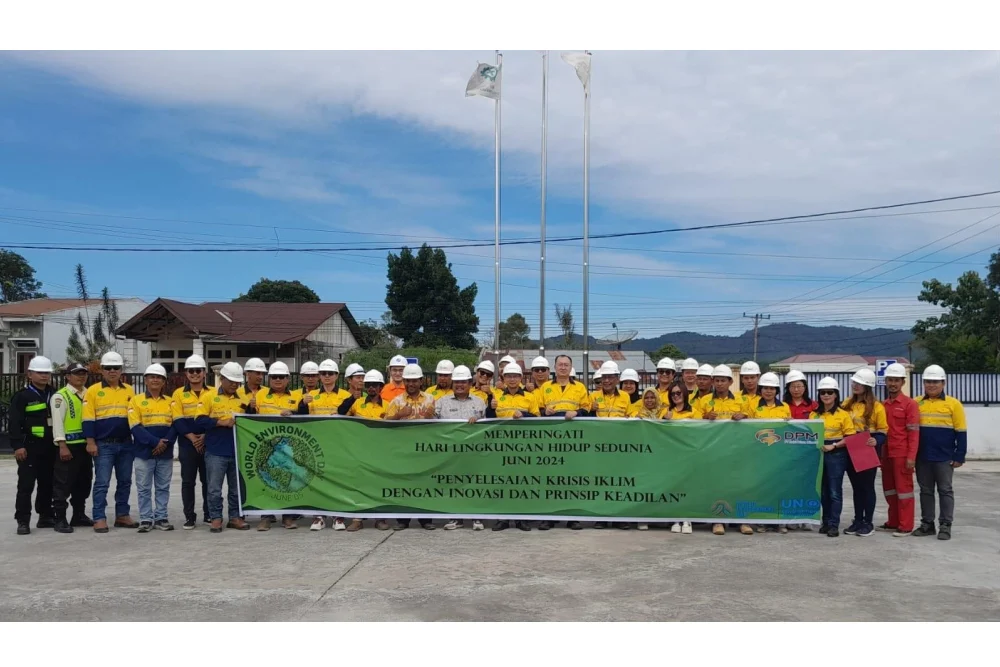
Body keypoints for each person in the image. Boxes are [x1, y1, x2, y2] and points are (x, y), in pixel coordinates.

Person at [537, 354, 592, 530]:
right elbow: (536, 409)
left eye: (566, 365)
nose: (562, 367)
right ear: (554, 367)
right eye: (560, 364)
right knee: (550, 477)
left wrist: (577, 413)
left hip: (573, 439)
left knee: (572, 477)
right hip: (550, 438)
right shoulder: (545, 387)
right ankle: (549, 516)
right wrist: (544, 411)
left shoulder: (580, 387)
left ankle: (572, 517)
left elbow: (587, 408)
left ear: (570, 367)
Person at [83, 351, 137, 533]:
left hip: (126, 443)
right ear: (102, 370)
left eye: (116, 367)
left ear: (121, 370)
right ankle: (99, 517)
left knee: (125, 481)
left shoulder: (129, 390)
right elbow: (88, 419)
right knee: (102, 483)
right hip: (103, 444)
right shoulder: (93, 391)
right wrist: (90, 442)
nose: (112, 371)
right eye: (108, 368)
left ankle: (122, 514)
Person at [196, 362, 252, 533]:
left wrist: (252, 409)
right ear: (222, 379)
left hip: (237, 450)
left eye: (237, 382)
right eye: (231, 381)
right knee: (214, 488)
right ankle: (216, 518)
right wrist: (220, 422)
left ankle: (235, 517)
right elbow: (199, 420)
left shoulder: (244, 399)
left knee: (236, 489)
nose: (234, 385)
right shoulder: (208, 397)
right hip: (215, 451)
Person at [483, 362, 538, 532]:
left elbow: (538, 419)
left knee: (523, 482)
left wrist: (525, 415)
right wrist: (490, 408)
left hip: (524, 447)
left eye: (515, 376)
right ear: (503, 378)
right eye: (508, 376)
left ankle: (522, 519)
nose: (512, 379)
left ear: (521, 378)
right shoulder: (497, 395)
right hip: (501, 447)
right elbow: (489, 420)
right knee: (502, 482)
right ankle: (503, 518)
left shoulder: (530, 397)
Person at [913, 364, 966, 541]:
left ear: (943, 383)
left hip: (945, 457)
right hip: (923, 456)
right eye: (928, 381)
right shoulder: (916, 403)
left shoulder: (953, 404)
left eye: (935, 382)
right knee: (925, 491)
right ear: (923, 383)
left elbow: (961, 431)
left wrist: (959, 455)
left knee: (945, 490)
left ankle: (945, 525)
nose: (931, 385)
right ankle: (927, 524)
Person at [298, 359, 353, 531]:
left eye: (330, 373)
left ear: (337, 375)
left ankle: (338, 516)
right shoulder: (311, 395)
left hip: (339, 443)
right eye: (323, 373)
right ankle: (319, 516)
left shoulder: (345, 395)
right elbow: (302, 419)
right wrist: (302, 404)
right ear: (319, 376)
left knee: (338, 480)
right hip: (317, 444)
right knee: (317, 479)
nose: (327, 376)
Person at [435, 365, 489, 532]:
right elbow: (431, 425)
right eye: (457, 382)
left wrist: (478, 420)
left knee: (475, 484)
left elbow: (488, 426)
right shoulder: (441, 402)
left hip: (474, 452)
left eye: (463, 382)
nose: (459, 385)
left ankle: (477, 517)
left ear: (470, 383)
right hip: (450, 452)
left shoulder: (479, 402)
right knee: (453, 484)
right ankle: (456, 517)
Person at [10, 356, 57, 535]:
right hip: (29, 448)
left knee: (47, 484)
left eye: (47, 372)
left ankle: (45, 516)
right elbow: (14, 423)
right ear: (30, 374)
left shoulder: (54, 394)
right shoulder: (22, 396)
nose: (44, 376)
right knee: (26, 486)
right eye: (40, 372)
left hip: (49, 447)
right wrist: (17, 446)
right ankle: (23, 520)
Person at [386, 363, 436, 530]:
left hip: (425, 450)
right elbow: (384, 425)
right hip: (404, 450)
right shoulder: (396, 401)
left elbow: (442, 425)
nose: (411, 384)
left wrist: (431, 418)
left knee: (424, 484)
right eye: (408, 380)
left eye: (414, 380)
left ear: (421, 381)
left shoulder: (430, 399)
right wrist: (399, 415)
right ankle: (403, 520)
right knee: (403, 484)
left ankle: (425, 519)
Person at [128, 364, 177, 533]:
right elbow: (135, 426)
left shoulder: (171, 402)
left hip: (165, 453)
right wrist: (156, 443)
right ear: (146, 380)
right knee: (143, 488)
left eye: (159, 377)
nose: (155, 380)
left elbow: (175, 425)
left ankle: (161, 517)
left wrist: (164, 444)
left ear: (164, 381)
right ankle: (146, 519)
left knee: (163, 487)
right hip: (143, 452)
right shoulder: (136, 400)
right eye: (152, 377)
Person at [701, 364, 749, 536]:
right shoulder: (705, 400)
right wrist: (705, 417)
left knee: (738, 485)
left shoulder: (741, 401)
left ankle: (741, 521)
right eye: (717, 380)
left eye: (723, 380)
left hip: (736, 450)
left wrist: (744, 416)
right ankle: (717, 521)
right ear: (713, 382)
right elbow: (694, 422)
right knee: (716, 485)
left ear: (730, 382)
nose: (720, 384)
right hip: (713, 451)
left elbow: (754, 421)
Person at [255, 361, 302, 530]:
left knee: (287, 479)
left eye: (281, 377)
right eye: (274, 376)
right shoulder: (260, 395)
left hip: (287, 447)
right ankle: (266, 517)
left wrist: (293, 412)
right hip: (266, 446)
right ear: (269, 378)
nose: (278, 380)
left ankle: (287, 517)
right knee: (266, 479)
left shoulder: (296, 396)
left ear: (288, 379)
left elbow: (304, 416)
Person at [840, 369, 887, 538]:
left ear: (867, 386)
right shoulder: (847, 403)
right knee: (856, 488)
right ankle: (858, 520)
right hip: (850, 447)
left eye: (859, 383)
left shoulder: (877, 407)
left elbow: (883, 430)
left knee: (867, 487)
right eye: (854, 382)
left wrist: (877, 441)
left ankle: (868, 522)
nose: (855, 385)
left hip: (867, 448)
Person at [171, 354, 214, 530]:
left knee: (208, 481)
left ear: (204, 373)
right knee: (188, 482)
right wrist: (192, 437)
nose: (195, 374)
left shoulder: (213, 392)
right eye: (191, 371)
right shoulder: (178, 394)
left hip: (208, 442)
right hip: (187, 444)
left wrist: (204, 436)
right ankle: (189, 517)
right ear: (186, 373)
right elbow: (177, 419)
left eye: (198, 370)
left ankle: (209, 514)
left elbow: (215, 416)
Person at [50, 362, 94, 533]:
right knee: (63, 484)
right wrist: (62, 445)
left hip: (85, 446)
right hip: (69, 447)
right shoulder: (61, 396)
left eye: (84, 374)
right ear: (68, 376)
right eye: (77, 374)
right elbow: (57, 423)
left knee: (83, 482)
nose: (81, 377)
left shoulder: (89, 394)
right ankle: (60, 518)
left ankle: (79, 515)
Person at [811, 377, 856, 538]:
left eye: (829, 392)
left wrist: (835, 445)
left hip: (837, 454)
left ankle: (833, 524)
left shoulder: (843, 415)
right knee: (823, 491)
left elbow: (850, 437)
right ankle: (826, 522)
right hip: (819, 454)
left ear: (836, 394)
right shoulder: (814, 414)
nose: (826, 395)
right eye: (823, 392)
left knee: (834, 491)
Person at [880, 362, 919, 537]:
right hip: (886, 453)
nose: (893, 383)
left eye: (896, 380)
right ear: (885, 381)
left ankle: (906, 525)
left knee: (904, 491)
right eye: (890, 380)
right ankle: (893, 521)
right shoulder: (883, 405)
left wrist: (911, 457)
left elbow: (914, 433)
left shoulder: (910, 405)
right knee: (889, 489)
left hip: (902, 454)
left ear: (903, 382)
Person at [346, 370, 389, 530]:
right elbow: (342, 417)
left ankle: (380, 519)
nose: (371, 388)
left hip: (380, 451)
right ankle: (357, 519)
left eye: (375, 385)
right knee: (359, 484)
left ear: (381, 387)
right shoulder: (357, 403)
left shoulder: (388, 405)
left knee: (378, 484)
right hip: (360, 451)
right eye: (369, 385)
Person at [752, 373, 792, 534]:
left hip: (779, 454)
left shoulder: (784, 407)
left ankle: (780, 521)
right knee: (762, 488)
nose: (768, 391)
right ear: (760, 390)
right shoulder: (753, 406)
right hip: (759, 454)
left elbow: (788, 429)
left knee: (779, 487)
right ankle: (762, 521)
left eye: (772, 388)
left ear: (777, 390)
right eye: (765, 388)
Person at [782, 369, 817, 531]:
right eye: (793, 386)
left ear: (805, 388)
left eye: (799, 386)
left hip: (808, 451)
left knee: (806, 483)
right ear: (788, 388)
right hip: (787, 451)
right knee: (789, 484)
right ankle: (789, 516)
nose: (796, 389)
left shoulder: (813, 406)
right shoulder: (783, 405)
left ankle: (806, 516)